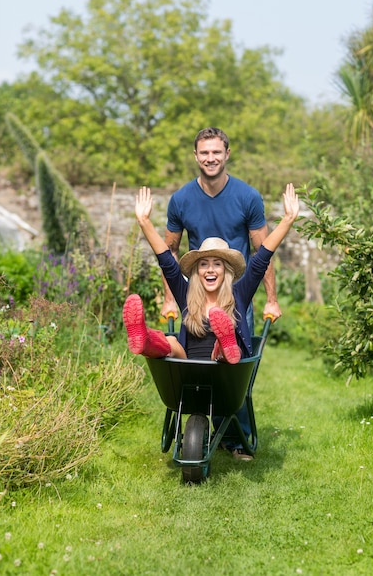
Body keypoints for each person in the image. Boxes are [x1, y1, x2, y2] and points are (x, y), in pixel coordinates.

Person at [123, 184, 299, 458]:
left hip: (225, 372)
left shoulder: (239, 293)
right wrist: (144, 221)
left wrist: (287, 220)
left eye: (217, 264)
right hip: (189, 367)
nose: (210, 270)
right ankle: (144, 340)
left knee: (225, 350)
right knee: (170, 342)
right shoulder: (186, 293)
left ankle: (224, 342)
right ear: (196, 270)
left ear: (227, 270)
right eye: (203, 264)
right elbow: (166, 261)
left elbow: (262, 256)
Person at [161, 127, 282, 329]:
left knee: (239, 357)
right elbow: (170, 251)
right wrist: (169, 299)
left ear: (227, 154)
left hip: (237, 297)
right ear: (195, 156)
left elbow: (262, 251)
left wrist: (271, 300)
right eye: (204, 153)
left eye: (216, 152)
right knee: (195, 357)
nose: (210, 158)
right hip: (196, 297)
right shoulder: (181, 200)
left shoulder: (247, 197)